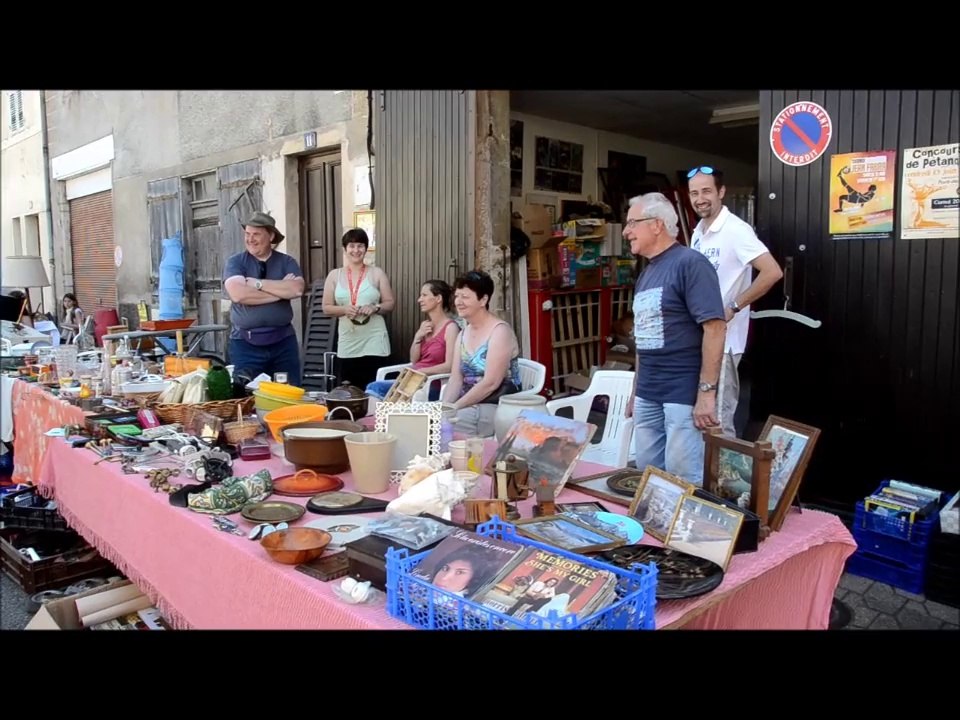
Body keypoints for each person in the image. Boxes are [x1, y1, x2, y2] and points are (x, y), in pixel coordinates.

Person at [623, 192, 726, 487]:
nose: (626, 231)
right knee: (648, 476)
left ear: (657, 225)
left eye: (632, 223)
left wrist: (707, 393)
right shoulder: (647, 272)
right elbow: (644, 336)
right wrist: (635, 390)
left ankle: (682, 534)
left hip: (681, 393)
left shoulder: (690, 263)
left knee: (682, 481)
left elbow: (715, 328)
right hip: (648, 392)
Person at [687, 167, 783, 438]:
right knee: (700, 419)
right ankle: (702, 479)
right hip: (701, 338)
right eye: (694, 193)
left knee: (717, 420)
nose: (700, 198)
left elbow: (772, 271)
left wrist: (734, 307)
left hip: (726, 343)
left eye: (706, 191)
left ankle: (723, 480)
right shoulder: (699, 231)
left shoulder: (736, 230)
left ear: (721, 192)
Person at [222, 212, 305, 386]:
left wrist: (257, 284)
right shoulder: (236, 262)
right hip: (245, 345)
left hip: (283, 343)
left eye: (256, 234)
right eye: (247, 234)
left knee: (288, 396)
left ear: (271, 236)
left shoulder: (287, 262)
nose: (250, 239)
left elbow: (296, 289)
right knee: (245, 399)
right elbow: (238, 294)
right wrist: (280, 291)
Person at [442, 270, 521, 438]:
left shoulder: (500, 331)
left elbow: (491, 383)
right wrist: (445, 407)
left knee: (442, 425)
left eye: (465, 297)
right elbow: (456, 378)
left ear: (483, 299)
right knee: (431, 418)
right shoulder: (463, 333)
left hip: (495, 405)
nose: (459, 302)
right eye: (457, 296)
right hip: (467, 404)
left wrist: (455, 408)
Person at [322, 228, 395, 389]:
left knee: (374, 387)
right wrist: (344, 310)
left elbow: (390, 303)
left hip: (374, 339)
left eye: (360, 246)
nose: (356, 250)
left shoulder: (377, 273)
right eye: (352, 246)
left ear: (366, 248)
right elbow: (326, 308)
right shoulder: (335, 275)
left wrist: (375, 307)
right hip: (348, 338)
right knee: (349, 388)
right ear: (345, 249)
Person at [365, 279, 459, 401]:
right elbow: (414, 359)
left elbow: (449, 366)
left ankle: (380, 418)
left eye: (424, 295)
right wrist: (418, 337)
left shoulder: (451, 328)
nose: (419, 300)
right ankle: (383, 417)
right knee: (374, 387)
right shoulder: (425, 326)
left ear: (438, 299)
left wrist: (421, 371)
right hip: (412, 382)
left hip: (431, 384)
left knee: (376, 388)